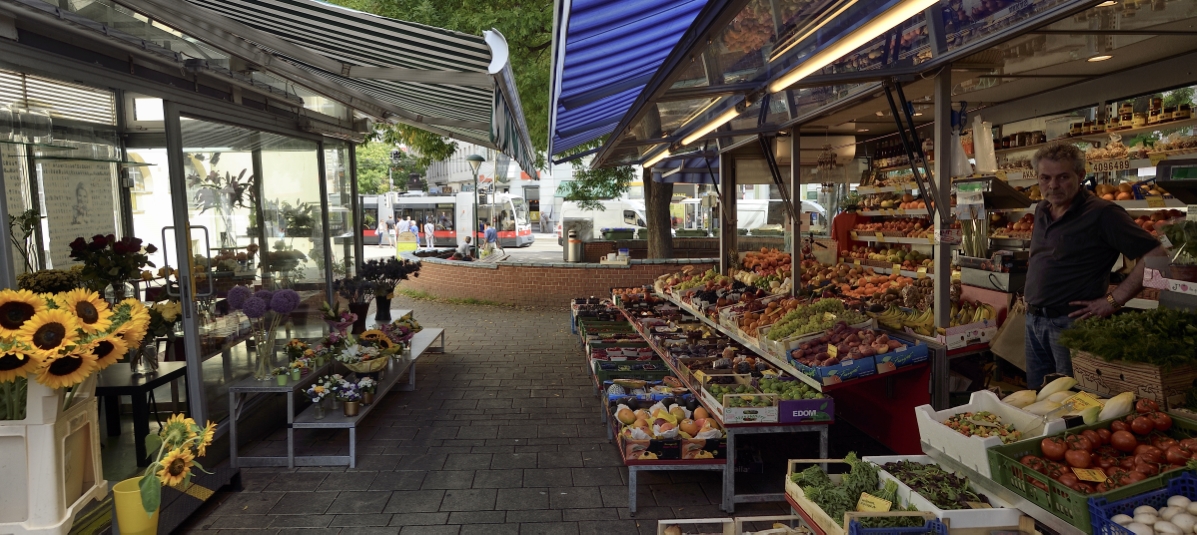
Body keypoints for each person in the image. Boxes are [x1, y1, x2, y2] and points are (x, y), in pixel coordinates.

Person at [1023, 143, 1167, 388]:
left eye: (1063, 177)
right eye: (1045, 178)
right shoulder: (1041, 209)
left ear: (1080, 176)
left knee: (1072, 403)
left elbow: (1160, 256)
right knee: (1036, 400)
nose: (1053, 185)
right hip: (1034, 321)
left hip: (1072, 326)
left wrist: (1115, 300)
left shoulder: (1103, 213)